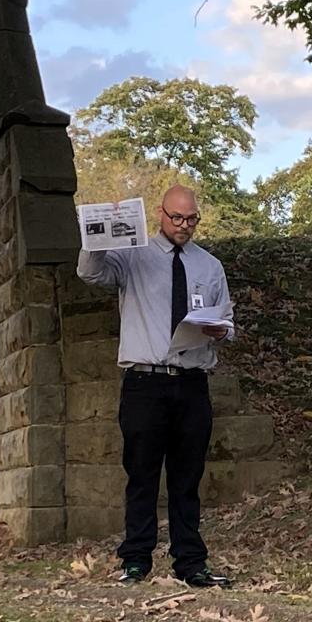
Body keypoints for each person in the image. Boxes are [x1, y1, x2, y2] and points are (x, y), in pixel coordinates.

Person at [76, 184, 233, 587]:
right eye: (177, 218)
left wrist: (219, 331)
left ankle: (191, 563)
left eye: (191, 219)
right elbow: (90, 272)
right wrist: (101, 231)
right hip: (145, 383)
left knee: (188, 477)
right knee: (142, 474)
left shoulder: (209, 266)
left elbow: (226, 320)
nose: (183, 226)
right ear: (160, 214)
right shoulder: (134, 254)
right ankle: (136, 561)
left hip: (192, 383)